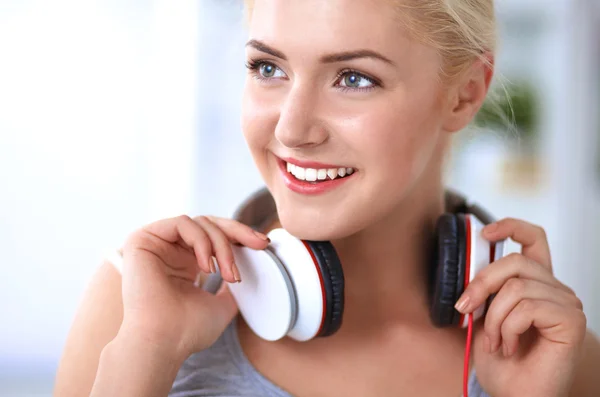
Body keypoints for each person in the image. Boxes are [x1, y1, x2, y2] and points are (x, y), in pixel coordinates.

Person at [54, 1, 600, 396]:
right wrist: (145, 358)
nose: (292, 129)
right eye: (268, 68)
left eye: (354, 78)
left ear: (464, 93)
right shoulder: (137, 307)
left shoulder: (552, 348)